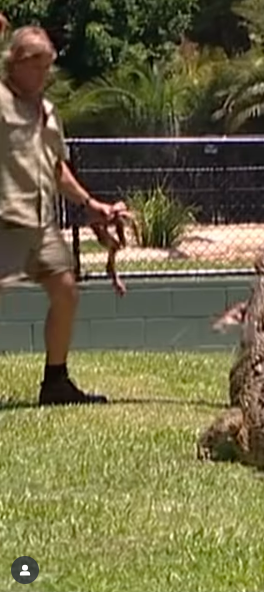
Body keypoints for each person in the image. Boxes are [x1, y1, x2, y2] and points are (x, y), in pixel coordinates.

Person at [0, 19, 129, 405]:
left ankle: (55, 382)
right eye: (35, 64)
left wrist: (92, 206)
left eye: (47, 65)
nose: (43, 73)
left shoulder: (50, 112)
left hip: (41, 222)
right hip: (5, 220)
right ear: (14, 62)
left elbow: (56, 168)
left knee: (66, 291)